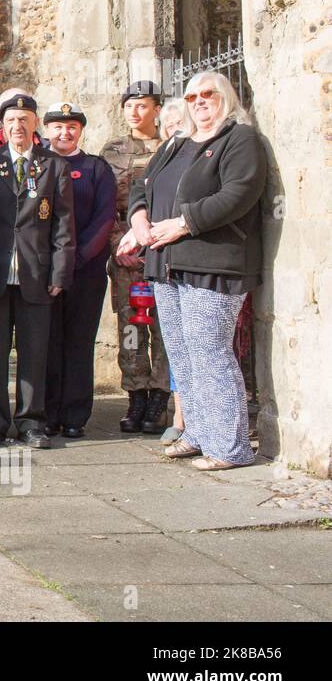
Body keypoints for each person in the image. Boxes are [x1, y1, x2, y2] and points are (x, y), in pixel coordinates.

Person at [118, 72, 265, 471]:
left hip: (213, 263)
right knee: (182, 355)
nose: (200, 101)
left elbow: (239, 194)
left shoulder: (239, 139)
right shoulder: (177, 143)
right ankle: (198, 433)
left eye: (208, 94)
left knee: (210, 352)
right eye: (192, 96)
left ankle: (230, 447)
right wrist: (139, 220)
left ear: (226, 98)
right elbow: (141, 186)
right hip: (166, 264)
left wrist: (184, 223)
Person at [0, 89, 75, 449]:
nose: (17, 126)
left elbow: (63, 225)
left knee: (34, 352)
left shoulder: (53, 166)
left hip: (36, 276)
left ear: (34, 125)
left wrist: (59, 274)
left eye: (24, 121)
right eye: (11, 121)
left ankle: (31, 421)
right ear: (2, 126)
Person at [41, 101, 116, 438]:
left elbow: (104, 219)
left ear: (80, 131)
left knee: (78, 341)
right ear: (46, 130)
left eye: (71, 126)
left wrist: (75, 259)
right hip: (45, 271)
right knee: (47, 340)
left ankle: (74, 414)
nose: (64, 132)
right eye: (57, 126)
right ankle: (46, 411)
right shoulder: (37, 165)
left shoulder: (96, 169)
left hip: (85, 271)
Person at [101, 80, 171, 433]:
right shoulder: (112, 150)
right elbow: (105, 208)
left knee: (163, 329)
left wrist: (152, 241)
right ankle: (136, 397)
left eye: (142, 105)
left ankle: (159, 397)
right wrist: (119, 247)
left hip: (163, 252)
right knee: (131, 329)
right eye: (129, 105)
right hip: (126, 257)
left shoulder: (171, 144)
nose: (134, 111)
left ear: (157, 109)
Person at [156, 96, 188, 444]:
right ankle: (181, 415)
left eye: (181, 123)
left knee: (201, 345)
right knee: (177, 342)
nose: (174, 129)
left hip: (197, 262)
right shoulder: (160, 162)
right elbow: (140, 196)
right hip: (162, 261)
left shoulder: (201, 158)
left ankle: (193, 418)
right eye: (169, 125)